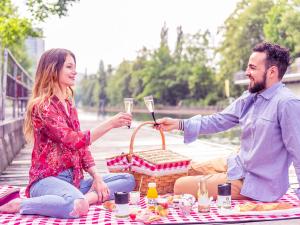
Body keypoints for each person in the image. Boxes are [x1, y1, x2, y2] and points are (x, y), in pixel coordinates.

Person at [156, 42, 300, 202]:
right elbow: (218, 120)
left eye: (252, 68)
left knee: (179, 185)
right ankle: (218, 178)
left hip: (255, 183)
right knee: (186, 171)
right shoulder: (249, 97)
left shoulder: (287, 103)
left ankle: (219, 181)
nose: (246, 72)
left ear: (272, 72)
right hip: (237, 164)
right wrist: (178, 124)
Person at [0, 48, 135, 218]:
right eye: (69, 67)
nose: (75, 72)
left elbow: (82, 149)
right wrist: (110, 124)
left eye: (74, 67)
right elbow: (73, 140)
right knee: (75, 204)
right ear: (52, 69)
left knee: (128, 180)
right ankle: (20, 204)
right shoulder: (42, 106)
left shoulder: (69, 105)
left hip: (74, 182)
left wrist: (97, 177)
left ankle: (84, 200)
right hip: (46, 181)